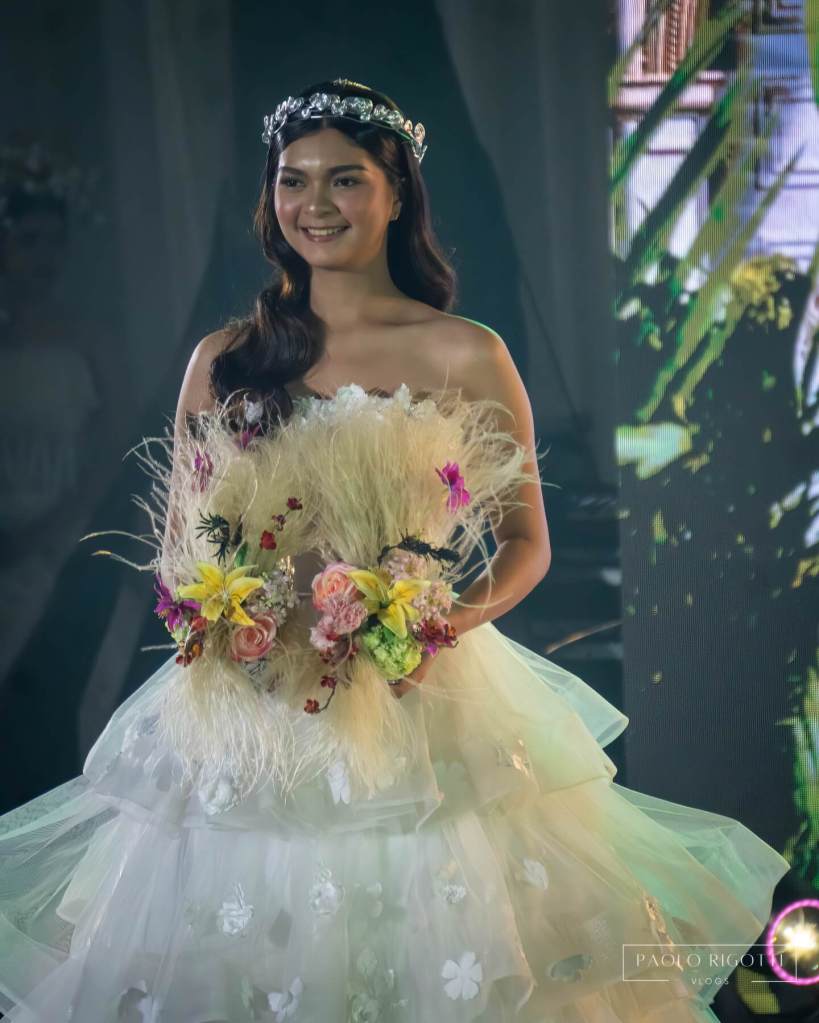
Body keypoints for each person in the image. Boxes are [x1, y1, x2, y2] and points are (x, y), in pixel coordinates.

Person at [0, 79, 791, 1022]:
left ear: (396, 192)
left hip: (416, 693)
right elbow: (180, 545)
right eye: (294, 180)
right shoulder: (225, 356)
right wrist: (222, 620)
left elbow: (526, 542)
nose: (315, 203)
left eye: (345, 179)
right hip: (252, 709)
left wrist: (431, 623)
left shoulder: (463, 351)